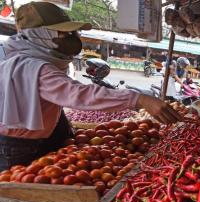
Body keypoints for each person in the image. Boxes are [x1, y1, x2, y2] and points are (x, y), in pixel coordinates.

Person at [0, 2, 182, 171]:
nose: (71, 38)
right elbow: (78, 94)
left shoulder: (35, 60)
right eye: (63, 33)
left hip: (45, 136)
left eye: (72, 33)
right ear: (39, 35)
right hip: (21, 147)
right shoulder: (33, 67)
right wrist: (139, 99)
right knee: (19, 190)